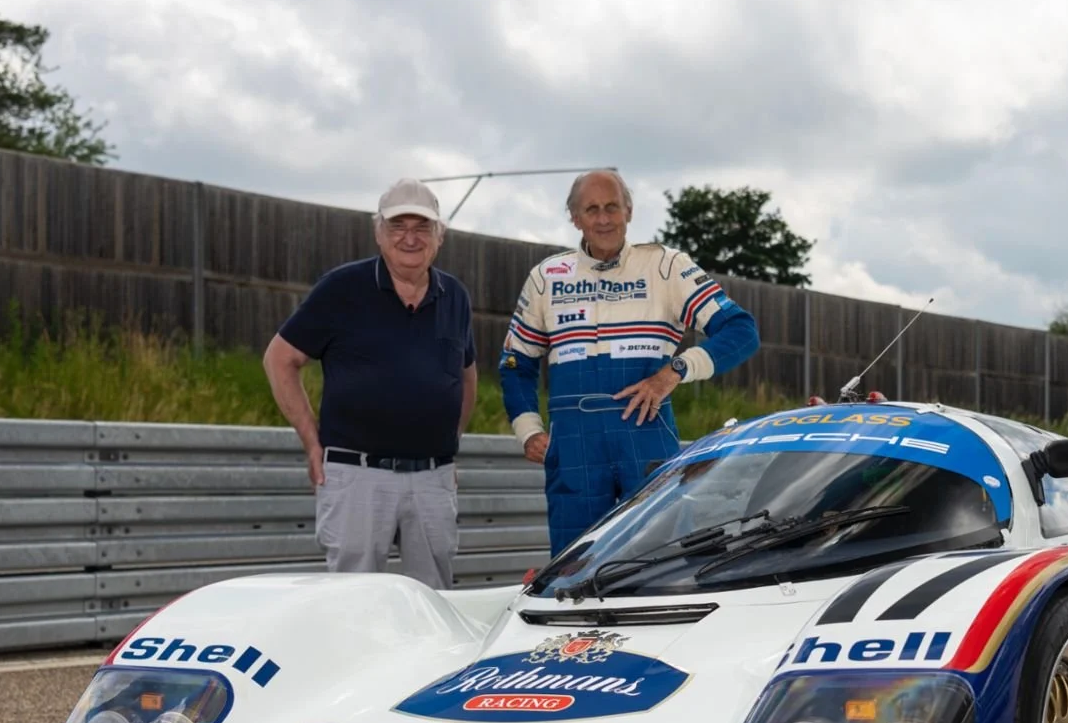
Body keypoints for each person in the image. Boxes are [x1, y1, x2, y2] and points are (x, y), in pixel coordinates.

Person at [500, 169, 760, 554]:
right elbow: (515, 363)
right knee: (573, 567)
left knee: (660, 559)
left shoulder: (666, 266)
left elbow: (742, 330)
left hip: (645, 432)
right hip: (574, 444)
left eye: (612, 207)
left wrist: (675, 371)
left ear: (629, 211)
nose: (604, 219)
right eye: (591, 209)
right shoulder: (546, 277)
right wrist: (528, 430)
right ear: (575, 218)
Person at [262, 178, 477, 589]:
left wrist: (451, 445)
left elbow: (466, 375)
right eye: (398, 226)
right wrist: (311, 444)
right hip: (357, 475)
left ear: (440, 236)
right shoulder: (342, 289)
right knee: (352, 599)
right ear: (378, 232)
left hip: (432, 478)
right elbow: (280, 359)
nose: (410, 238)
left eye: (422, 227)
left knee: (433, 600)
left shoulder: (456, 296)